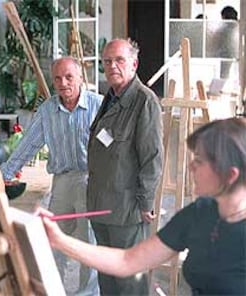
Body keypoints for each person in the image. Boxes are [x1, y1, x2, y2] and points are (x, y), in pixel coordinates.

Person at [40, 117, 246, 295]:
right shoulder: (200, 212)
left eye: (199, 161)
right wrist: (60, 240)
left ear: (230, 175)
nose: (191, 166)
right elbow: (127, 261)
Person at [0, 56, 102, 295]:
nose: (63, 83)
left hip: (92, 179)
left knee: (88, 241)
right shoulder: (47, 110)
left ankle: (88, 293)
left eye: (69, 77)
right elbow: (28, 144)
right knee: (54, 236)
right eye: (57, 78)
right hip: (63, 180)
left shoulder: (99, 105)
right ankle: (53, 289)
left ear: (80, 78)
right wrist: (4, 173)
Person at [86, 38, 163, 295]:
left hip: (126, 211)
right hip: (100, 207)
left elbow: (152, 157)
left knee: (130, 282)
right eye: (107, 61)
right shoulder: (110, 97)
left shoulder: (144, 101)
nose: (112, 66)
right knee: (106, 279)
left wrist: (145, 203)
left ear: (134, 63)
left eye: (119, 60)